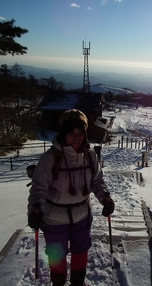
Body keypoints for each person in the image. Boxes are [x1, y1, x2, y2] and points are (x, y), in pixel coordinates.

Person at [27, 109, 115, 286]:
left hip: (82, 215)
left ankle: (78, 283)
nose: (77, 137)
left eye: (80, 132)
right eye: (71, 133)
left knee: (81, 252)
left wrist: (105, 198)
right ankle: (58, 283)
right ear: (63, 133)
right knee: (57, 255)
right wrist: (35, 211)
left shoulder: (90, 156)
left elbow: (97, 180)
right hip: (54, 217)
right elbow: (39, 189)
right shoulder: (50, 158)